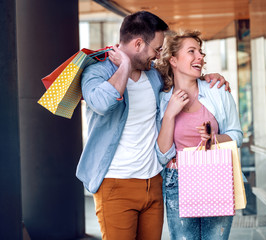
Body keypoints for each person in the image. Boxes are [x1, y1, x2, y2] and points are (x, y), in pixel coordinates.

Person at [76, 11, 229, 240]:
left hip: (154, 184)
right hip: (115, 185)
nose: (158, 56)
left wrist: (209, 78)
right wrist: (124, 67)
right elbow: (102, 103)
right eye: (156, 49)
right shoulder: (96, 71)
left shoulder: (153, 76)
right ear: (138, 43)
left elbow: (182, 73)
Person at [155, 30, 243, 240]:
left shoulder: (218, 90)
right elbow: (162, 155)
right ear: (173, 60)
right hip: (177, 179)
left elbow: (237, 135)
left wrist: (215, 137)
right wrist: (169, 114)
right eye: (192, 51)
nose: (200, 57)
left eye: (200, 52)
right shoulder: (162, 99)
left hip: (217, 175)